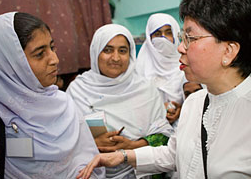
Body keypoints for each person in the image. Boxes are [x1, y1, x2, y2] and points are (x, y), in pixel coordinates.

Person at [76, 0, 251, 179]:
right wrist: (123, 156)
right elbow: (174, 153)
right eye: (181, 36)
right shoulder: (194, 103)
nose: (180, 47)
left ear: (228, 51)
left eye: (190, 38)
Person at [0, 12, 105, 178]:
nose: (54, 59)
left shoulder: (63, 102)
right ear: (9, 63)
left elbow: (87, 158)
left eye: (52, 47)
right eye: (40, 54)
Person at [66, 23, 172, 178]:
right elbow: (65, 141)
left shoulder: (145, 89)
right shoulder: (77, 90)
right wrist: (93, 143)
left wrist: (132, 146)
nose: (115, 58)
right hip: (92, 172)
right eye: (107, 50)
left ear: (130, 55)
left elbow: (165, 135)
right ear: (96, 52)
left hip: (140, 172)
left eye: (122, 51)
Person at [135, 13, 185, 125]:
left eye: (168, 33)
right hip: (149, 129)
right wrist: (158, 110)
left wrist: (181, 110)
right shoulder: (139, 67)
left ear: (176, 35)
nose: (163, 38)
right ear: (149, 38)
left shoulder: (187, 64)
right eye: (157, 34)